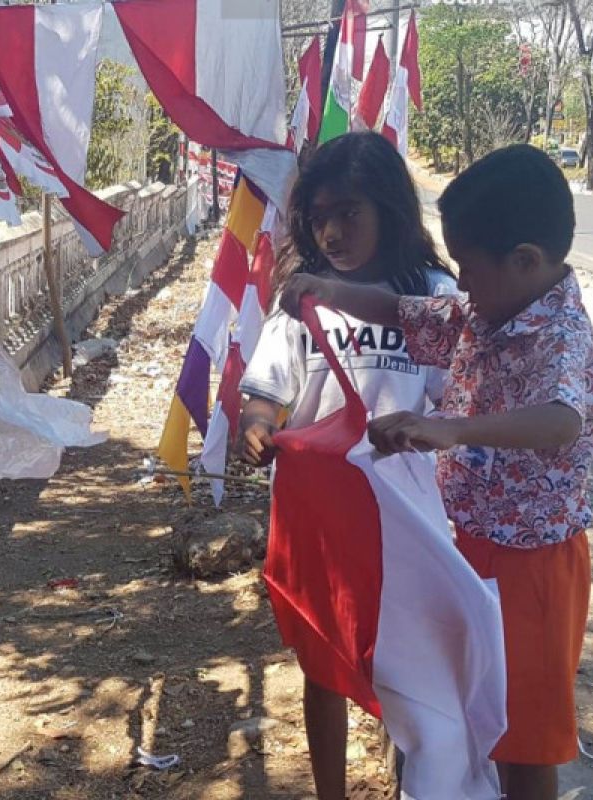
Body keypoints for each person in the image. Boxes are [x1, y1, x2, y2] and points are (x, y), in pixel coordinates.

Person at [280, 144, 593, 800]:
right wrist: (329, 291)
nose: (459, 280)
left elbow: (560, 420)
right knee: (468, 713)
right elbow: (403, 312)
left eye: (466, 265)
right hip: (467, 549)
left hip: (533, 565)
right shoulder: (487, 310)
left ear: (524, 262)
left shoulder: (559, 335)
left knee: (525, 740)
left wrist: (450, 429)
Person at [237, 131, 455, 800]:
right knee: (324, 664)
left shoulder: (432, 293)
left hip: (410, 519)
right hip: (322, 523)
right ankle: (331, 790)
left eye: (349, 213)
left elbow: (457, 402)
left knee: (413, 661)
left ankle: (417, 776)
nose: (332, 232)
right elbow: (266, 392)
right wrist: (256, 426)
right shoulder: (300, 301)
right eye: (320, 217)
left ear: (389, 208)